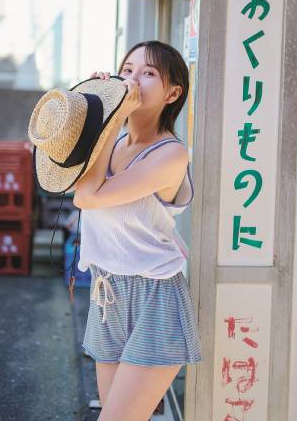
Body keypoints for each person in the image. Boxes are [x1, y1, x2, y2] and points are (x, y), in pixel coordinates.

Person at [73, 40, 202, 421]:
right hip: (108, 291)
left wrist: (111, 117)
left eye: (148, 74)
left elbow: (88, 196)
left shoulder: (171, 153)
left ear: (172, 93)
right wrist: (93, 104)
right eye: (127, 70)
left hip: (154, 295)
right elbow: (57, 161)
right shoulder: (112, 141)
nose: (133, 81)